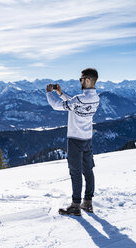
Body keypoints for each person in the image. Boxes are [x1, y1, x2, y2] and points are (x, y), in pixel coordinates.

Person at [46, 68, 100, 216]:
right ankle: (88, 203)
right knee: (88, 171)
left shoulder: (80, 99)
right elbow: (75, 104)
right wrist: (61, 93)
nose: (80, 81)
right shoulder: (96, 99)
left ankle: (75, 205)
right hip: (87, 139)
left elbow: (56, 106)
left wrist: (49, 93)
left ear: (88, 80)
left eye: (81, 79)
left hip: (75, 140)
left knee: (75, 172)